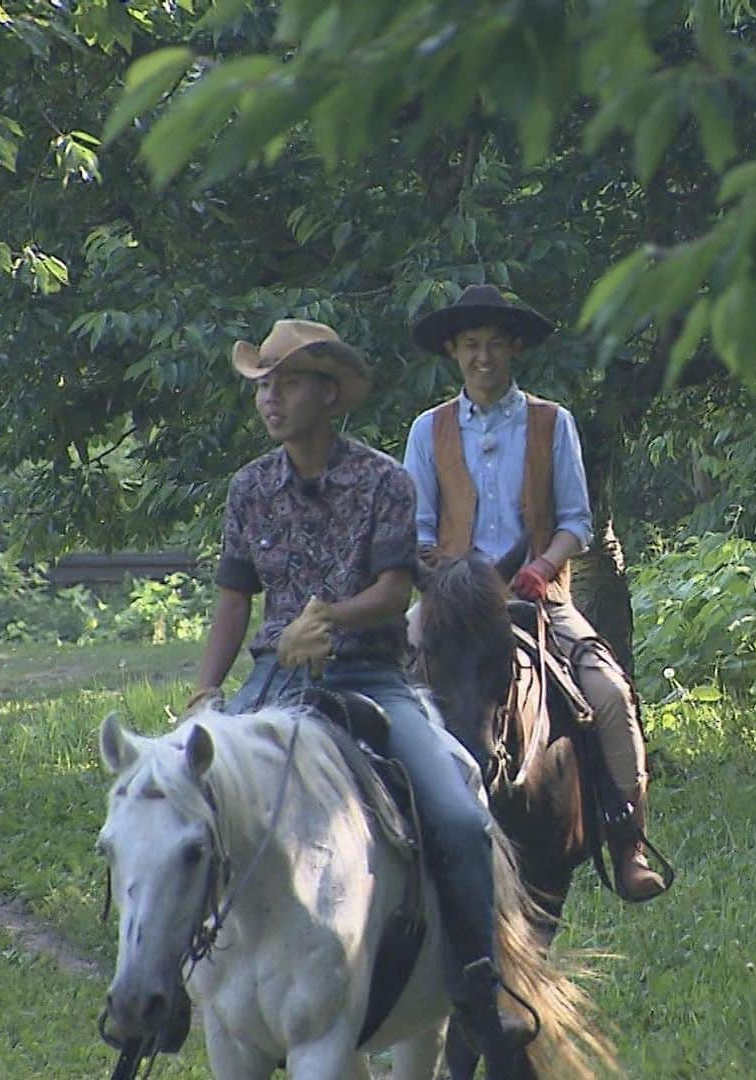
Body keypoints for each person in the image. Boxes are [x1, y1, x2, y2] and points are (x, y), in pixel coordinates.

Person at [190, 317, 533, 1075]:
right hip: (274, 678)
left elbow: (393, 589)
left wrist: (329, 619)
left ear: (330, 394)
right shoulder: (248, 489)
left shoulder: (384, 480)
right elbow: (233, 601)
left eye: (286, 383)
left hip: (369, 676)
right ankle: (182, 977)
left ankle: (479, 988)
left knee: (456, 812)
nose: (270, 400)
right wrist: (208, 690)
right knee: (188, 800)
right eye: (263, 386)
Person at [403, 284, 667, 902]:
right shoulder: (428, 430)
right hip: (453, 599)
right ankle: (385, 826)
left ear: (515, 349)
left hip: (537, 596)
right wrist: (451, 579)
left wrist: (543, 566)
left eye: (495, 344)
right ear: (454, 352)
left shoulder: (553, 422)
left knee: (609, 693)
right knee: (387, 677)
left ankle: (628, 841)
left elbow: (576, 519)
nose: (483, 357)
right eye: (471, 345)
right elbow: (416, 529)